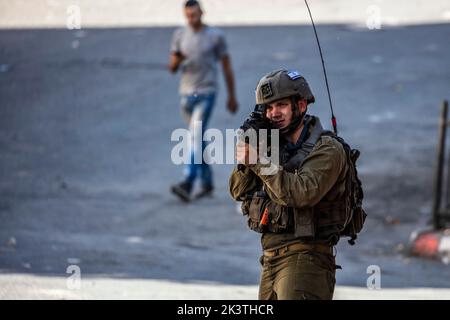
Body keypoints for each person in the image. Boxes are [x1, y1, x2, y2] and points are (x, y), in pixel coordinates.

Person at [229, 69, 351, 300]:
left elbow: (301, 193)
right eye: (268, 108)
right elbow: (238, 191)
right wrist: (253, 151)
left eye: (281, 105)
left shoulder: (327, 148)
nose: (274, 113)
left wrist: (259, 161)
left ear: (301, 106)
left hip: (307, 259)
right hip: (271, 258)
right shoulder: (272, 147)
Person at [169, 0, 238, 202]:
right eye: (188, 15)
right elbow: (172, 67)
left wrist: (231, 96)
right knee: (197, 139)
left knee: (194, 136)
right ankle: (207, 182)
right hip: (186, 94)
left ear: (202, 12)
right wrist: (178, 59)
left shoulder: (215, 36)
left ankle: (187, 181)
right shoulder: (179, 35)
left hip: (207, 92)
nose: (192, 18)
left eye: (195, 14)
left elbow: (226, 66)